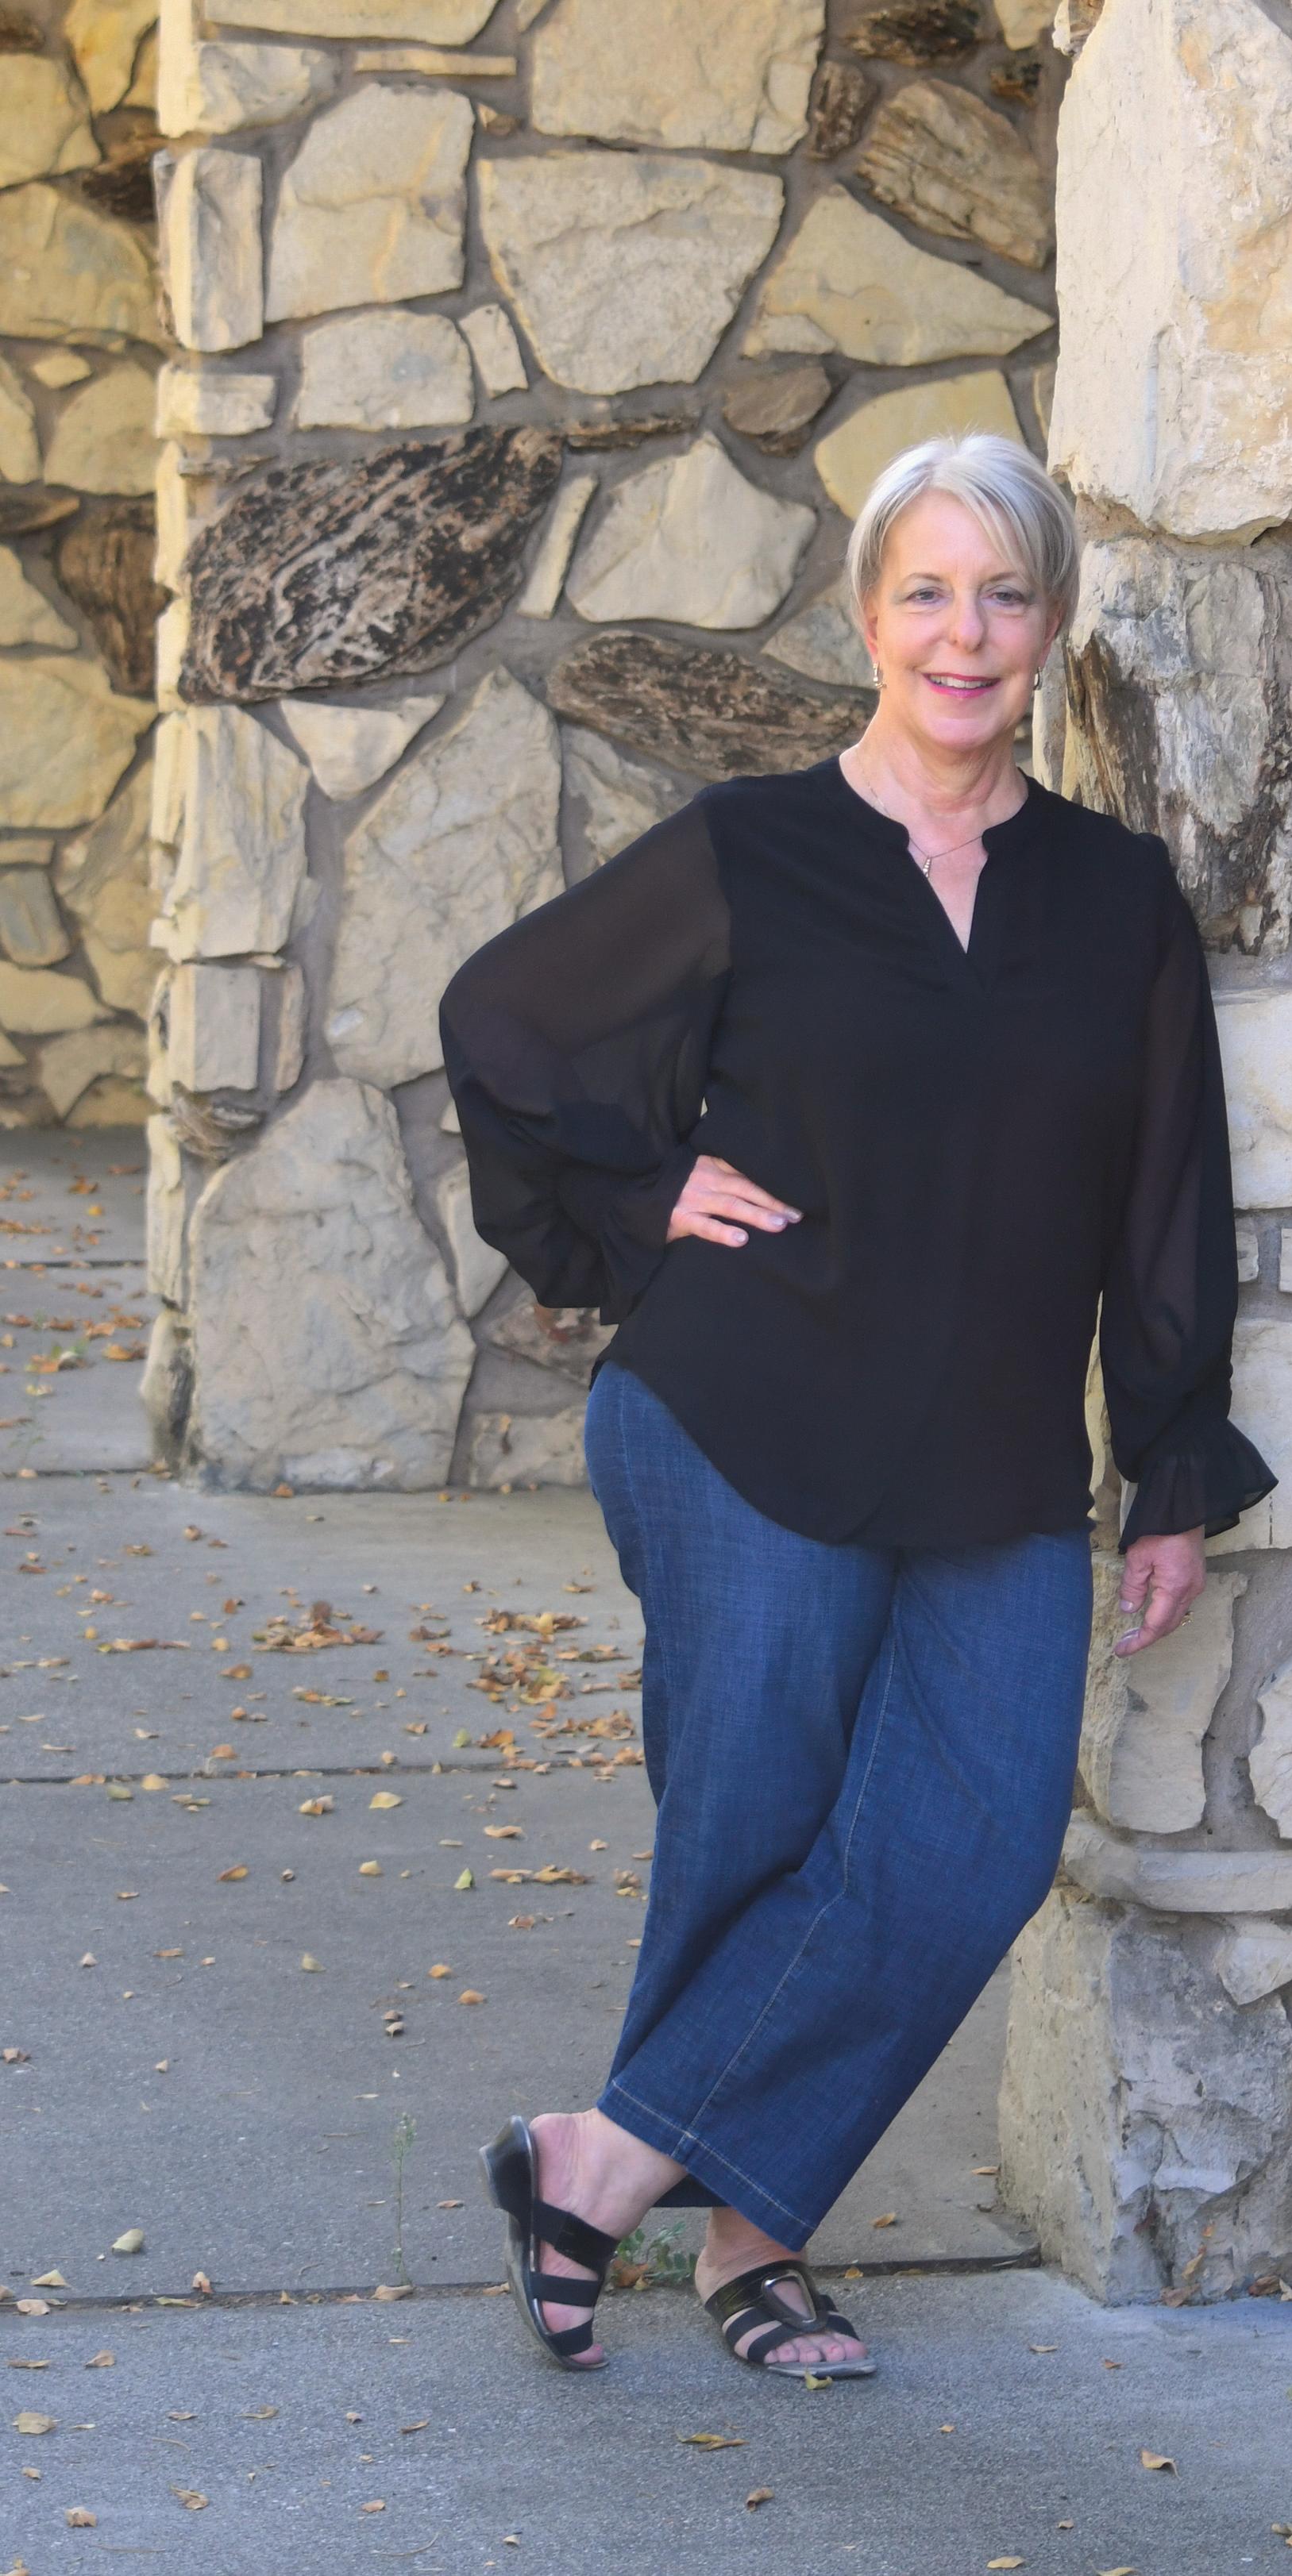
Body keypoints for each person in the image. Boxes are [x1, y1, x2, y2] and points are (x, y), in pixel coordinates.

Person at [440, 433, 1277, 2382]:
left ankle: (593, 2163)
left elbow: (1164, 1192)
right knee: (752, 1826)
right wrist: (646, 1197)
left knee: (973, 1839)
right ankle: (752, 2249)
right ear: (866, 615)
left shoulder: (1113, 898)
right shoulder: (754, 849)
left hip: (989, 1449)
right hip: (744, 1411)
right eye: (925, 592)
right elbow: (505, 1020)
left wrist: (1166, 1464)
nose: (961, 635)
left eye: (1001, 594)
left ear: (1049, 625)